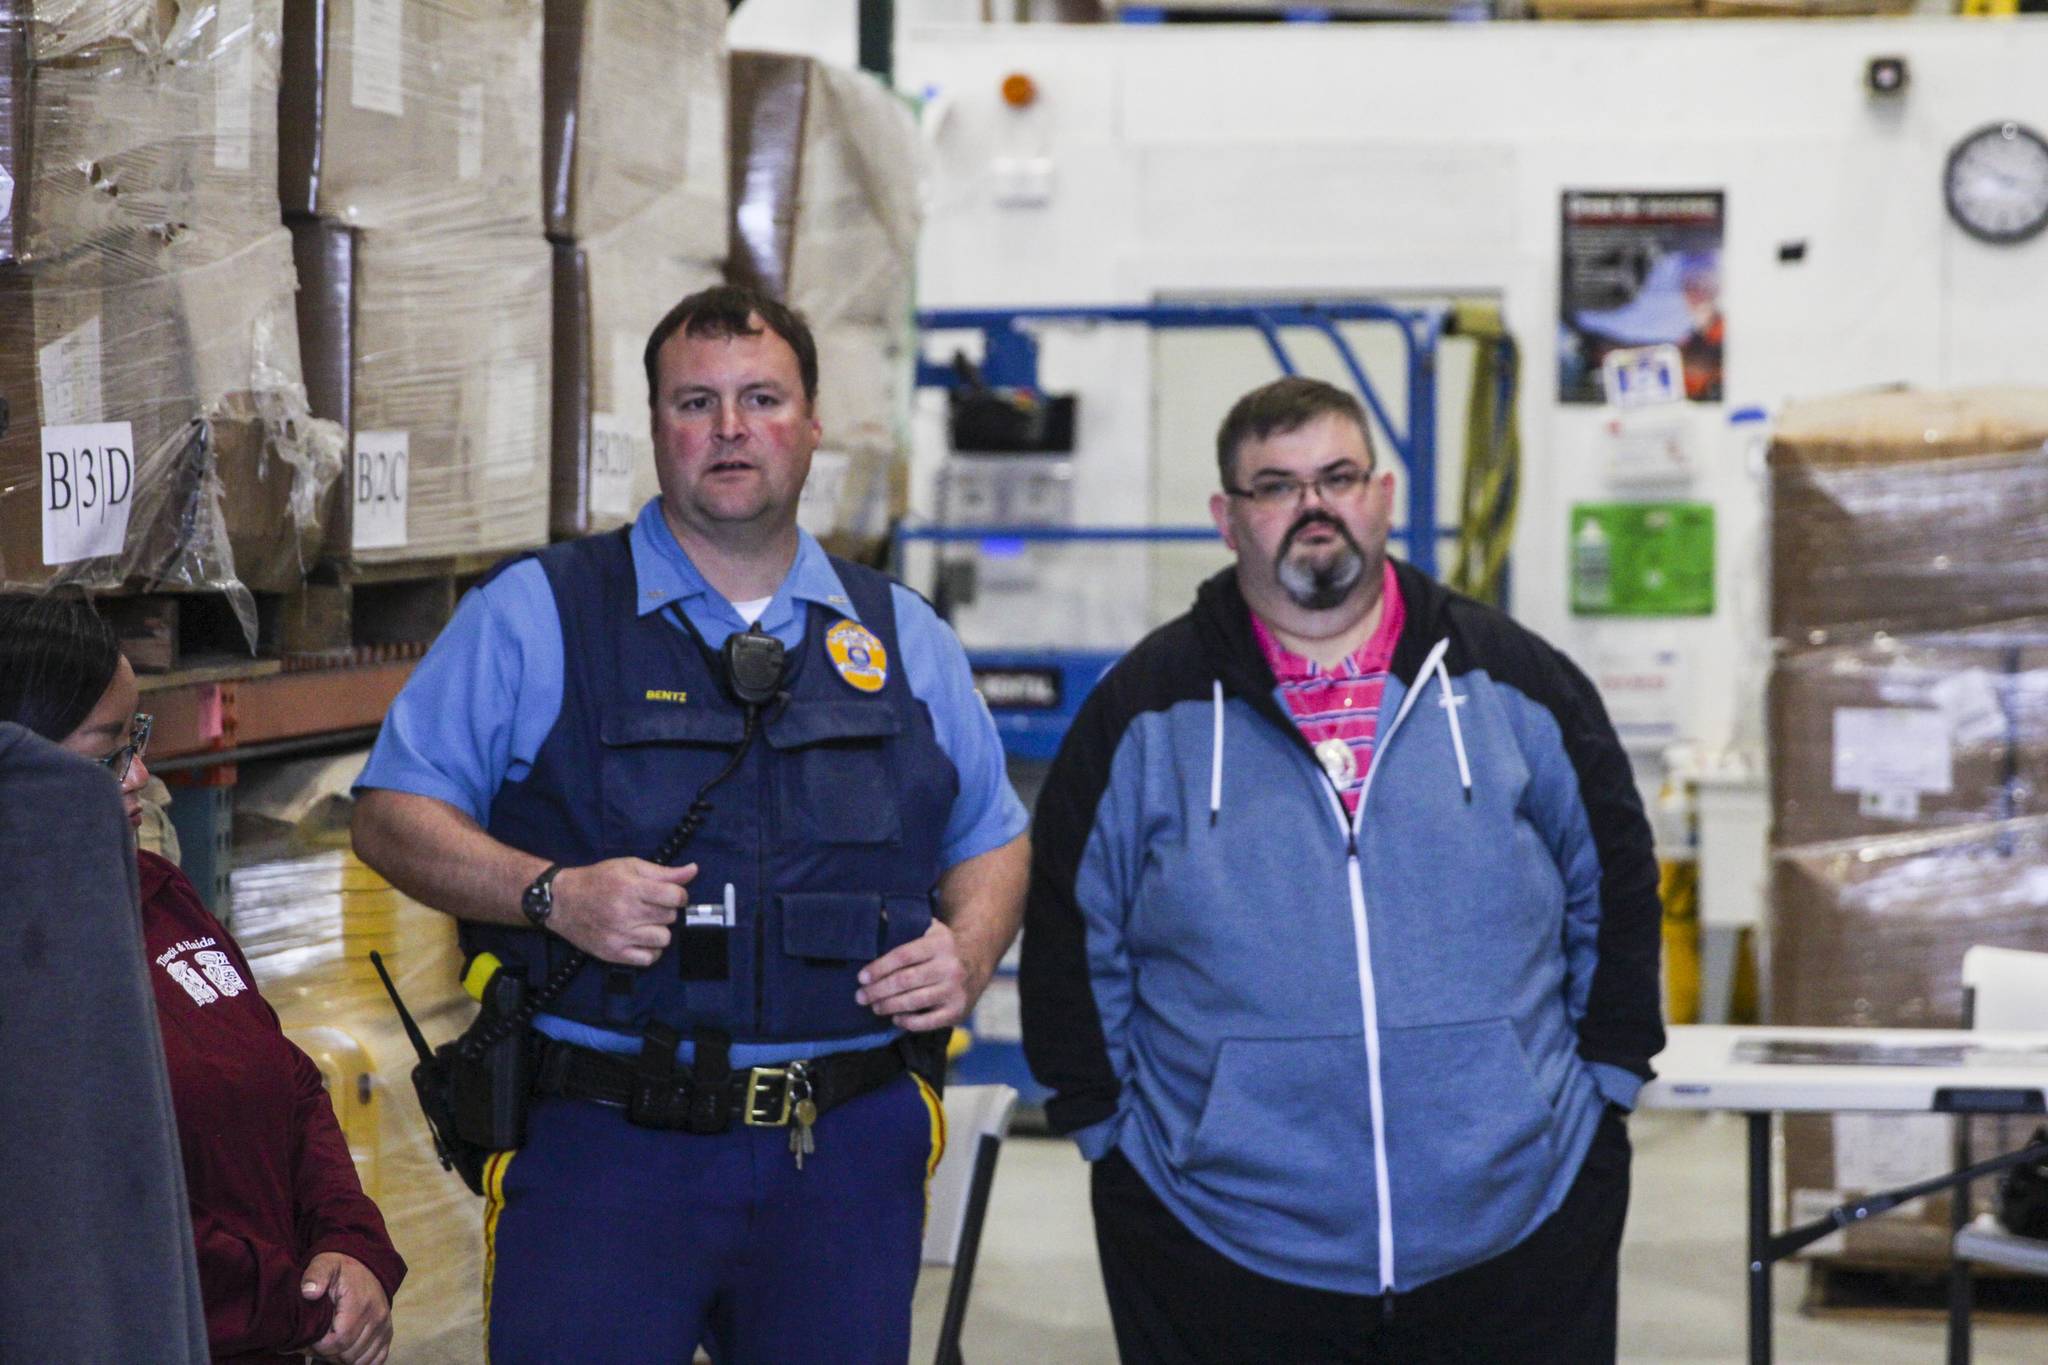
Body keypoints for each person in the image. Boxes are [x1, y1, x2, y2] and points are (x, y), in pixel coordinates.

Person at [350, 283, 1029, 1364]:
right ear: (654, 429)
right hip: (608, 1153)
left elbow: (989, 834)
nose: (728, 429)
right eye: (693, 402)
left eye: (761, 398)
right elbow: (391, 813)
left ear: (810, 429)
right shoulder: (540, 612)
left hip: (842, 1153)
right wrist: (549, 893)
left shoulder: (900, 634)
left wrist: (969, 947)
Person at [1020, 376, 1663, 1364]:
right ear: (1226, 519)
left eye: (1337, 476)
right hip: (1222, 1241)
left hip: (1515, 1225)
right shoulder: (1142, 715)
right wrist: (1108, 1134)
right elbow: (1071, 928)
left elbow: (1613, 884)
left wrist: (1601, 1094)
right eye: (1274, 485)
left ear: (1383, 494)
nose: (1312, 506)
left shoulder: (1514, 683)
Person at [0, 595, 405, 1365]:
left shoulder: (159, 891)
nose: (142, 774)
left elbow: (286, 1080)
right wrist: (301, 1307)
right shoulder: (25, 968)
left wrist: (351, 1245)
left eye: (137, 737)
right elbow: (106, 1217)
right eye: (109, 750)